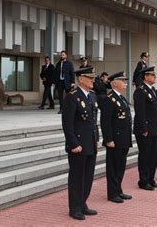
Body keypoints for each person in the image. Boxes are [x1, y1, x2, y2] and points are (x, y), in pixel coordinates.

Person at [61, 66, 99, 220]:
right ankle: (74, 208)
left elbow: (92, 121)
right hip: (78, 144)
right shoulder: (72, 96)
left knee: (88, 176)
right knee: (77, 177)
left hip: (90, 143)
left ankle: (83, 203)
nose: (92, 80)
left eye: (93, 78)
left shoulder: (92, 96)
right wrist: (73, 143)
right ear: (81, 79)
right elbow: (67, 123)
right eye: (90, 78)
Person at [99, 71, 133, 204]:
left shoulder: (121, 98)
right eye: (122, 80)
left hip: (124, 138)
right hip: (115, 139)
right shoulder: (109, 99)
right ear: (114, 83)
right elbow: (105, 121)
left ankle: (118, 189)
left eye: (125, 80)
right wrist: (108, 139)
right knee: (113, 167)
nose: (125, 82)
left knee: (120, 166)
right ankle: (112, 193)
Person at [133, 66, 157, 191]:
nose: (155, 77)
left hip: (154, 128)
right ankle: (143, 181)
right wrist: (144, 128)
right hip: (145, 129)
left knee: (153, 155)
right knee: (145, 155)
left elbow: (156, 111)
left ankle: (151, 178)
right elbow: (140, 112)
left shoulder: (153, 90)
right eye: (152, 75)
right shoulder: (140, 91)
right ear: (146, 77)